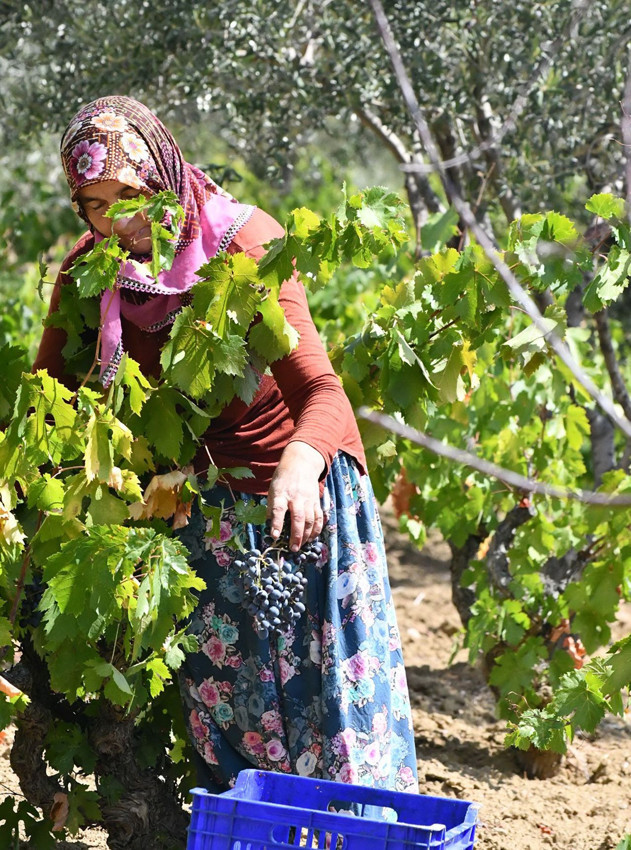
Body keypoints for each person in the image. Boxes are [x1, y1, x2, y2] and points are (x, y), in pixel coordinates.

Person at [34, 95, 419, 794]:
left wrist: (301, 466)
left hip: (299, 498)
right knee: (234, 721)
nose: (120, 219)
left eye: (132, 194)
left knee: (332, 722)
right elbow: (45, 405)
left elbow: (323, 394)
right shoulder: (88, 276)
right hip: (195, 519)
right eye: (94, 203)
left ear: (165, 174)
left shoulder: (240, 245)